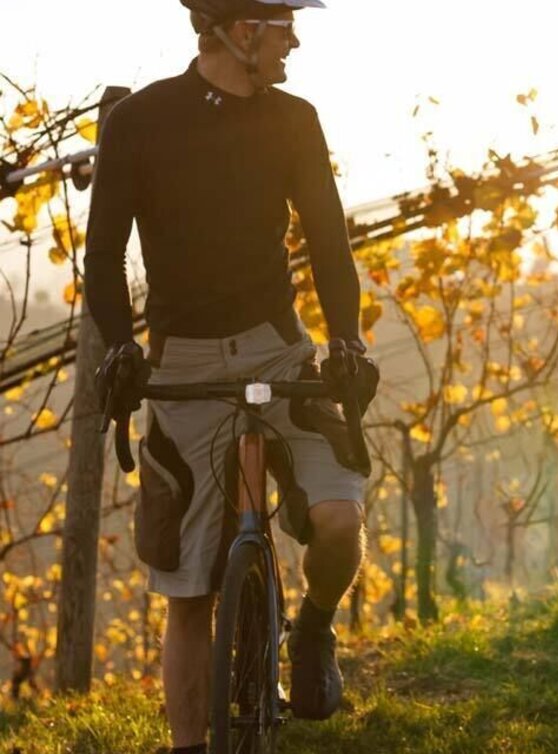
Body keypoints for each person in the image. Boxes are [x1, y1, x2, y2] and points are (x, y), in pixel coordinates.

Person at [84, 2, 377, 752]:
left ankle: (311, 631)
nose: (295, 39)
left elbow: (328, 241)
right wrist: (121, 349)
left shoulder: (295, 119)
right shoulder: (139, 121)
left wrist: (344, 339)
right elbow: (105, 254)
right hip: (179, 361)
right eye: (282, 23)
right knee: (189, 591)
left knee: (340, 522)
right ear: (238, 30)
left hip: (279, 352)